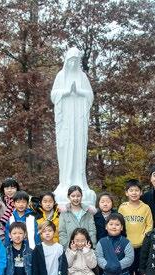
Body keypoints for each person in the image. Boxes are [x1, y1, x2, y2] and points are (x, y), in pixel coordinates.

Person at [50, 47, 96, 207]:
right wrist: (66, 92)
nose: (73, 63)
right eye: (71, 60)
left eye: (76, 61)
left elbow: (90, 96)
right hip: (66, 123)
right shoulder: (61, 76)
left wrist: (80, 92)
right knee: (65, 149)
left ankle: (80, 182)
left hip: (79, 122)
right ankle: (65, 182)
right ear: (66, 61)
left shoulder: (82, 76)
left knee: (78, 150)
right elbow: (53, 95)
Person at [118, 179, 153, 275]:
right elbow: (119, 223)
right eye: (131, 190)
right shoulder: (122, 207)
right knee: (127, 271)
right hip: (127, 246)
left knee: (139, 271)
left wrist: (145, 237)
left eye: (136, 190)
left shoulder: (145, 208)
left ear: (141, 192)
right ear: (126, 193)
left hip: (141, 245)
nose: (134, 193)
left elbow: (149, 225)